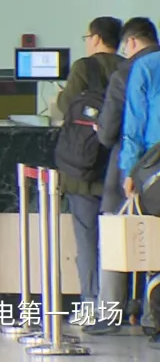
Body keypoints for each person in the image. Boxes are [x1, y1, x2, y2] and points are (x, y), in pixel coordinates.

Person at [90, 17, 159, 336]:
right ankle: (151, 317)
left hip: (142, 167)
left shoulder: (132, 70)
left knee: (118, 233)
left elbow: (121, 129)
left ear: (131, 42)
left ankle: (111, 312)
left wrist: (129, 170)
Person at [55, 17, 124, 317]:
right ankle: (120, 306)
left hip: (82, 167)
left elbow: (66, 105)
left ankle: (90, 303)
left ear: (96, 38)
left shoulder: (84, 67)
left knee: (87, 239)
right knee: (118, 239)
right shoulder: (129, 67)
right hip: (117, 167)